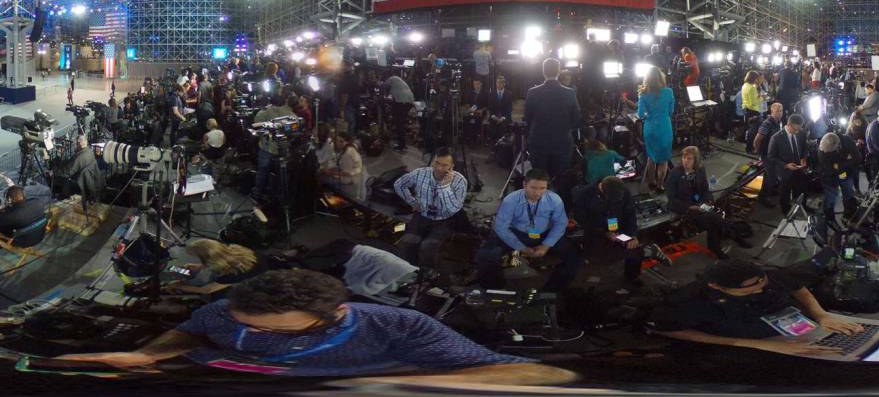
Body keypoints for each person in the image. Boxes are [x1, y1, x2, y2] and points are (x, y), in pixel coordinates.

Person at [58, 270, 573, 386]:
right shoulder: (226, 311)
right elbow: (193, 331)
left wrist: (397, 385)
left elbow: (544, 375)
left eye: (283, 333)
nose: (261, 337)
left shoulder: (403, 328)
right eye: (250, 327)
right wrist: (148, 354)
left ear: (338, 315)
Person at [649, 259, 864, 357]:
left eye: (762, 284)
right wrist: (758, 345)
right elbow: (667, 329)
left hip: (801, 331)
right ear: (716, 286)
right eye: (749, 290)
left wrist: (821, 315)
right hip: (745, 347)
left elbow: (798, 287)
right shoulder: (690, 300)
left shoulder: (769, 275)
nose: (760, 290)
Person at [475, 169, 579, 292]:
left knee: (574, 257)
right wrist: (521, 247)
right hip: (518, 234)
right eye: (533, 188)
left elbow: (560, 224)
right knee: (485, 255)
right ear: (524, 185)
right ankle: (495, 289)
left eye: (542, 188)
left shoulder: (555, 199)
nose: (538, 193)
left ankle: (551, 291)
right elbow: (501, 227)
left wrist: (546, 245)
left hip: (545, 234)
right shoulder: (511, 200)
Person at [665, 146, 752, 257]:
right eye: (684, 158)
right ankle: (735, 237)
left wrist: (708, 200)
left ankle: (716, 246)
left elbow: (705, 190)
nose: (685, 161)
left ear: (695, 160)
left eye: (689, 158)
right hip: (685, 206)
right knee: (714, 218)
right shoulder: (675, 173)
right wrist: (690, 207)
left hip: (700, 203)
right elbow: (671, 199)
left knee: (714, 219)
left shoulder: (700, 170)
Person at [393, 148, 467, 275]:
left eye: (444, 165)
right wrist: (412, 202)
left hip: (445, 220)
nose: (438, 168)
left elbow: (454, 209)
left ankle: (427, 275)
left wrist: (445, 187)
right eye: (436, 163)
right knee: (407, 242)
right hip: (422, 215)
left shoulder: (460, 181)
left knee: (428, 247)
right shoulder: (420, 173)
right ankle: (410, 272)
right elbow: (399, 184)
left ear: (452, 166)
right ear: (433, 161)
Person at [523, 58, 582, 202]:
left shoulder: (532, 92)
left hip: (539, 144)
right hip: (562, 144)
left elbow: (527, 119)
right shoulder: (569, 93)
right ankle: (560, 209)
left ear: (543, 71)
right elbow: (576, 119)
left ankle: (538, 207)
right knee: (562, 181)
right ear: (558, 72)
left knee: (539, 180)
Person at [573, 176, 643, 291]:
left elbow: (630, 214)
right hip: (595, 232)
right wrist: (604, 232)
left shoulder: (623, 191)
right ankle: (592, 286)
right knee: (595, 261)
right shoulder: (585, 194)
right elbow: (581, 219)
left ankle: (632, 277)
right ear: (601, 189)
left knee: (635, 248)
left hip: (617, 232)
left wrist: (633, 235)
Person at [163, 239, 270, 297]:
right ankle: (178, 276)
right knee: (185, 271)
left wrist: (180, 287)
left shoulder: (232, 274)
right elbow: (216, 261)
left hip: (258, 284)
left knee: (199, 283)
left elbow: (206, 290)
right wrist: (199, 266)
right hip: (264, 265)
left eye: (198, 258)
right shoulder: (232, 249)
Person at [637, 66, 675, 193]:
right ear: (661, 77)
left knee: (651, 157)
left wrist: (649, 114)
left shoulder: (643, 94)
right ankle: (660, 186)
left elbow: (640, 115)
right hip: (664, 128)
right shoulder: (669, 92)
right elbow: (671, 111)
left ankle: (651, 183)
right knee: (663, 160)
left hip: (650, 129)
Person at [767, 114, 811, 218]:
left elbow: (805, 147)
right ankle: (786, 211)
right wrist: (786, 165)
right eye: (795, 130)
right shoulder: (776, 138)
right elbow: (771, 157)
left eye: (799, 129)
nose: (797, 132)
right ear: (789, 125)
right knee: (785, 192)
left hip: (799, 168)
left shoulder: (801, 133)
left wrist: (804, 158)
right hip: (785, 171)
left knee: (803, 188)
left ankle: (803, 206)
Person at [252, 94, 295, 198]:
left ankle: (258, 192)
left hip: (267, 147)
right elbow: (294, 128)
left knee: (262, 170)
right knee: (282, 173)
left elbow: (256, 125)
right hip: (283, 148)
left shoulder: (265, 112)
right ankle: (280, 194)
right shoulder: (289, 113)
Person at [816, 132, 860, 235]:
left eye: (828, 151)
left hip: (846, 174)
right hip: (829, 177)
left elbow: (857, 158)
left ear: (837, 147)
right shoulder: (822, 149)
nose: (824, 152)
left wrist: (839, 165)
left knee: (848, 194)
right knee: (830, 199)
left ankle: (849, 215)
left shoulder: (847, 141)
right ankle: (830, 219)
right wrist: (843, 163)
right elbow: (829, 168)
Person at [66, 134, 102, 208]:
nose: (75, 145)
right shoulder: (90, 152)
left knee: (65, 181)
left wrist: (54, 171)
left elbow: (68, 172)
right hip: (91, 184)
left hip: (81, 186)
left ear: (79, 144)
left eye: (76, 143)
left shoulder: (79, 157)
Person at [740, 71, 764, 153]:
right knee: (753, 132)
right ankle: (750, 149)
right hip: (753, 111)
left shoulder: (744, 85)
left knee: (750, 130)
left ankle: (749, 148)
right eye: (756, 78)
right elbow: (753, 102)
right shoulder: (752, 88)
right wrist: (762, 98)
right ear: (753, 78)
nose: (757, 80)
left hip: (746, 110)